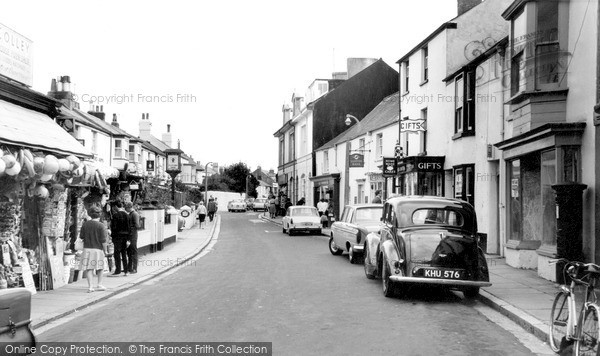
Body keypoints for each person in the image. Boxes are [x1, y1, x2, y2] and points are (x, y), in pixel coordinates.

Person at [79, 206, 108, 293]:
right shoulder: (101, 226)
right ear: (99, 215)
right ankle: (99, 284)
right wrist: (105, 250)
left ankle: (90, 286)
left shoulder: (85, 224)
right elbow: (103, 240)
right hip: (97, 250)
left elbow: (81, 236)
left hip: (87, 249)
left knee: (89, 268)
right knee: (100, 268)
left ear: (90, 214)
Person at [110, 201, 130, 276]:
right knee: (124, 253)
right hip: (125, 236)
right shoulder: (127, 215)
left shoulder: (115, 216)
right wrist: (128, 238)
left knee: (117, 253)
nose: (113, 208)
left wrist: (112, 236)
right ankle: (126, 270)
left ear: (115, 206)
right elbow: (129, 227)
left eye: (113, 207)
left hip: (117, 237)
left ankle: (118, 270)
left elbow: (114, 227)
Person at [125, 202, 140, 274]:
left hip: (133, 235)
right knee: (129, 251)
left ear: (129, 207)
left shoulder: (134, 214)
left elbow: (137, 225)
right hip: (130, 235)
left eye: (126, 208)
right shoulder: (131, 214)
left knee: (133, 251)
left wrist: (130, 228)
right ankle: (129, 267)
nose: (125, 209)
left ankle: (135, 268)